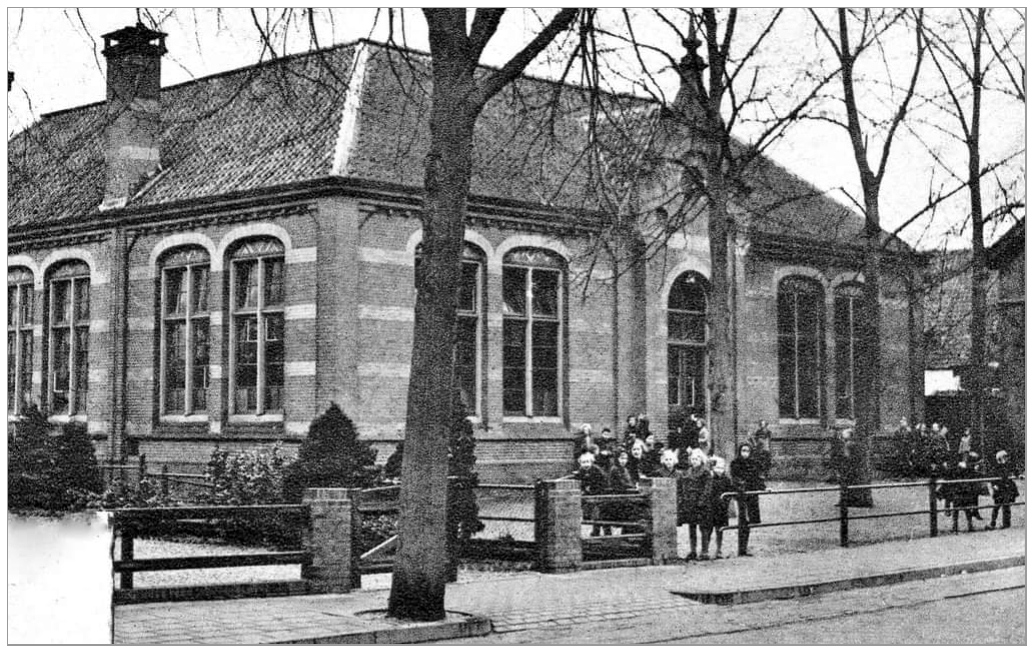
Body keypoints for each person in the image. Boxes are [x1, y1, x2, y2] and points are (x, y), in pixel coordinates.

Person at [678, 449, 713, 560]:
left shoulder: (705, 472)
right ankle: (693, 550)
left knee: (704, 528)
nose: (694, 461)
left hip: (702, 504)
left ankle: (704, 551)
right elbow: (684, 486)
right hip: (690, 503)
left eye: (697, 459)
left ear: (701, 460)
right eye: (692, 459)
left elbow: (707, 488)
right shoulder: (688, 472)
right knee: (691, 527)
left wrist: (701, 501)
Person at [730, 443, 765, 556]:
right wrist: (742, 487)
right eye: (743, 450)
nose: (745, 453)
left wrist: (763, 487)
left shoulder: (754, 463)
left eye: (747, 451)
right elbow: (735, 478)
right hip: (742, 495)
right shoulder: (735, 463)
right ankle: (741, 549)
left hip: (752, 495)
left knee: (750, 521)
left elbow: (758, 478)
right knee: (743, 520)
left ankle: (744, 548)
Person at [571, 452, 610, 537]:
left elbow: (603, 482)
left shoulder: (597, 470)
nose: (586, 464)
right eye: (583, 462)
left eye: (587, 462)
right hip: (590, 495)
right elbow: (580, 482)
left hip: (600, 494)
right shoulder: (581, 471)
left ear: (591, 462)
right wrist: (583, 489)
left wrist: (592, 488)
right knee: (595, 514)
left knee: (602, 514)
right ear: (580, 463)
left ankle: (607, 532)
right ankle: (596, 531)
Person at [709, 456, 736, 559]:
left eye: (721, 468)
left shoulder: (727, 480)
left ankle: (719, 549)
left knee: (719, 530)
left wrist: (725, 501)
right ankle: (706, 550)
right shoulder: (710, 479)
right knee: (708, 529)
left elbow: (730, 492)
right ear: (713, 468)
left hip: (722, 508)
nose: (719, 470)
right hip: (711, 507)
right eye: (717, 468)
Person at [987, 450, 1019, 530]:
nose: (1006, 459)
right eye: (1004, 457)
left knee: (1006, 506)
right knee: (996, 507)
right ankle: (992, 523)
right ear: (1000, 458)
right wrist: (994, 486)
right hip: (999, 489)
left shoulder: (1008, 466)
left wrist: (1018, 475)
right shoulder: (996, 468)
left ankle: (1006, 524)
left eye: (1006, 457)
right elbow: (992, 478)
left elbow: (1015, 471)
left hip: (1006, 488)